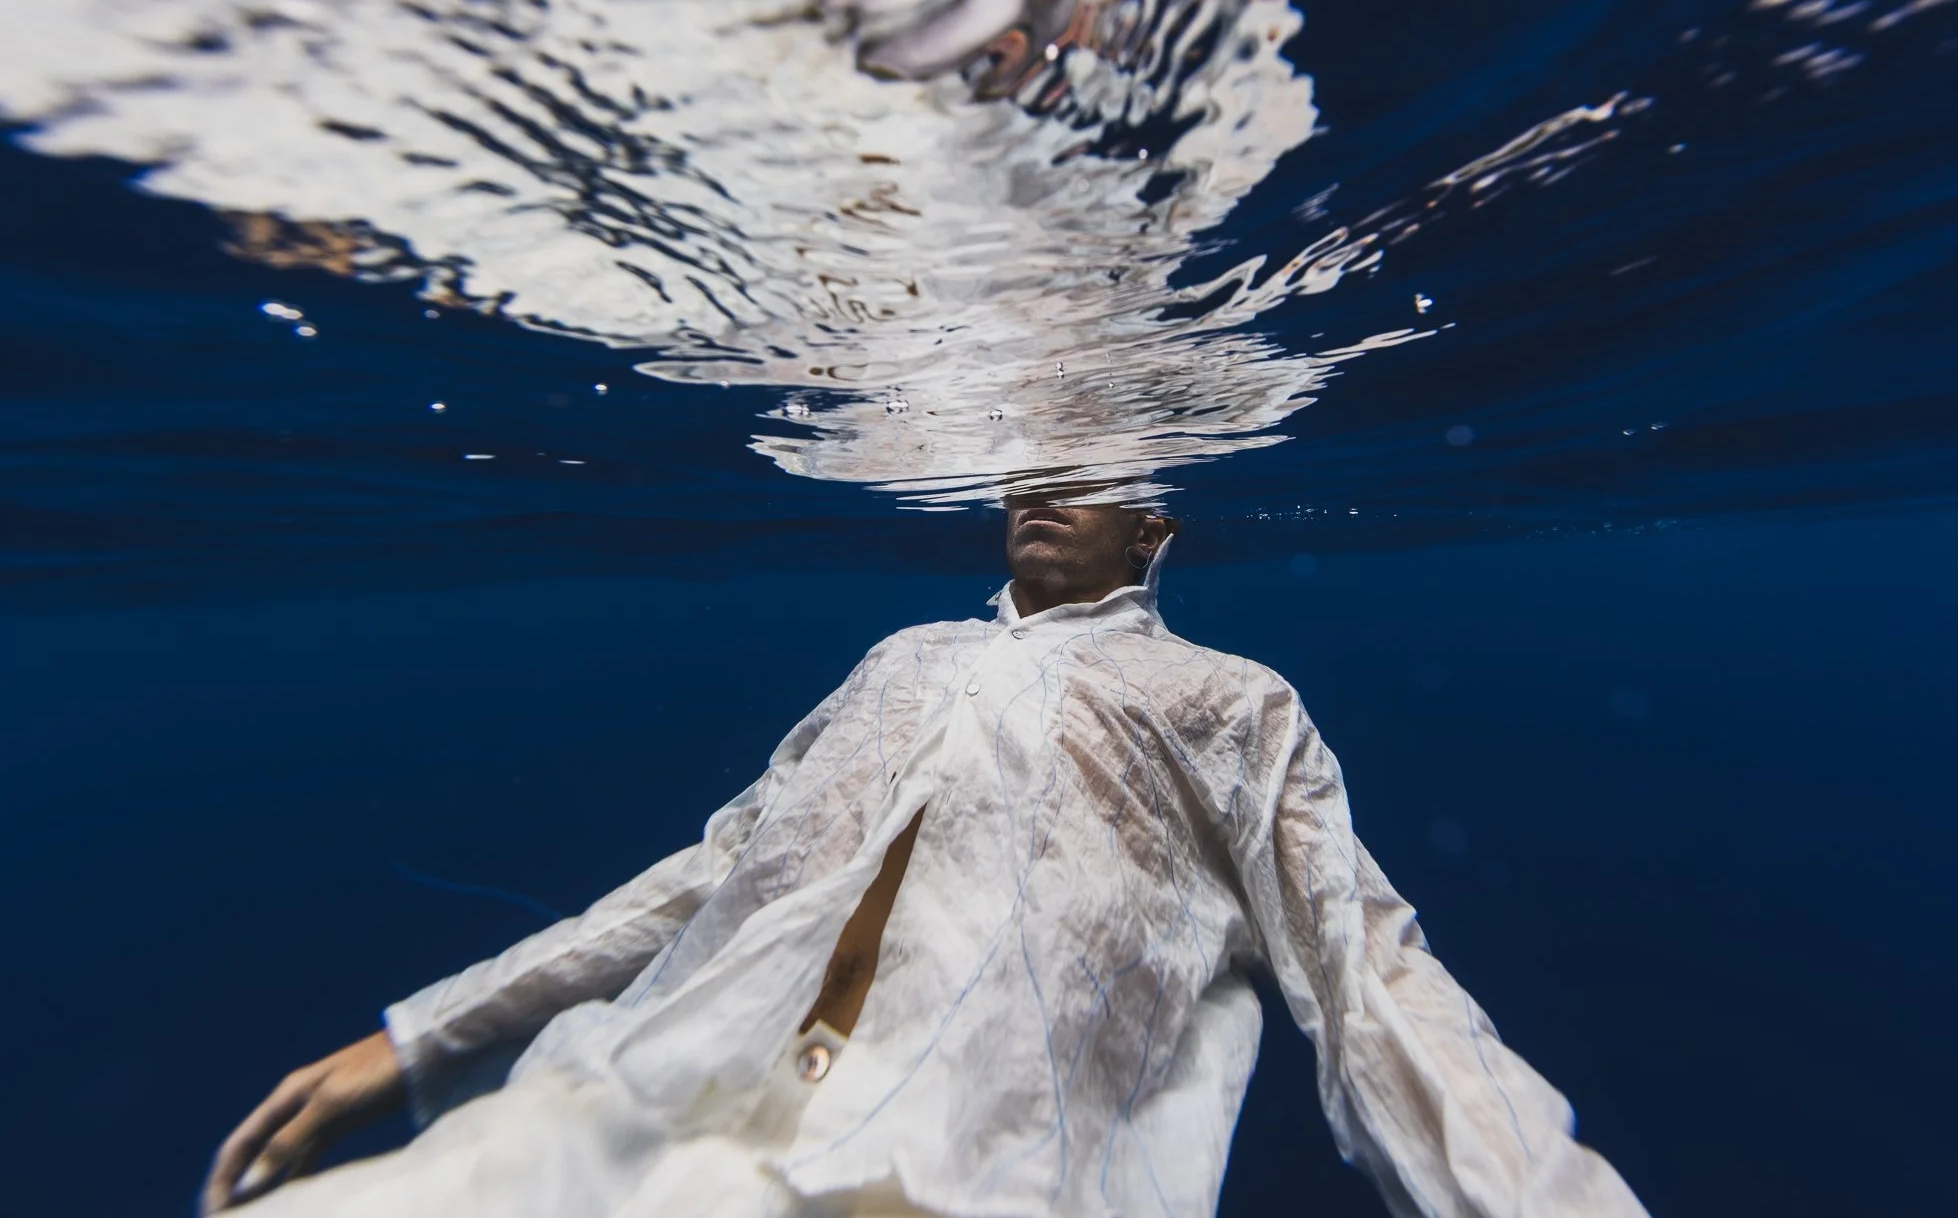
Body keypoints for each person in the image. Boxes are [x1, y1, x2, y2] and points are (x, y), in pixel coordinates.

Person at [204, 503, 1645, 1218]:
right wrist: (422, 1036)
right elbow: (716, 876)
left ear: (1159, 522)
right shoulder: (901, 658)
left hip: (969, 1183)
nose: (1041, 470)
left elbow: (1368, 977)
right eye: (1029, 446)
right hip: (647, 1109)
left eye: (1087, 456)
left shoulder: (1233, 706)